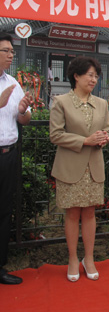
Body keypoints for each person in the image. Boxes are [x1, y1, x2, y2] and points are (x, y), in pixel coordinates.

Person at [49, 56, 109, 282]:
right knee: (72, 213)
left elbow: (107, 130)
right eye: (90, 75)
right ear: (76, 76)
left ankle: (89, 258)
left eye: (96, 76)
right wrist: (85, 141)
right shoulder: (61, 102)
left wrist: (104, 138)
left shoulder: (101, 104)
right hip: (70, 167)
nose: (94, 79)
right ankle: (73, 259)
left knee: (90, 213)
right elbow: (55, 135)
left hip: (93, 168)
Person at [0, 32, 32, 285]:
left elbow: (24, 118)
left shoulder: (13, 82)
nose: (12, 55)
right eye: (6, 50)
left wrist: (22, 111)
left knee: (4, 211)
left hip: (8, 155)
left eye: (11, 50)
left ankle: (0, 266)